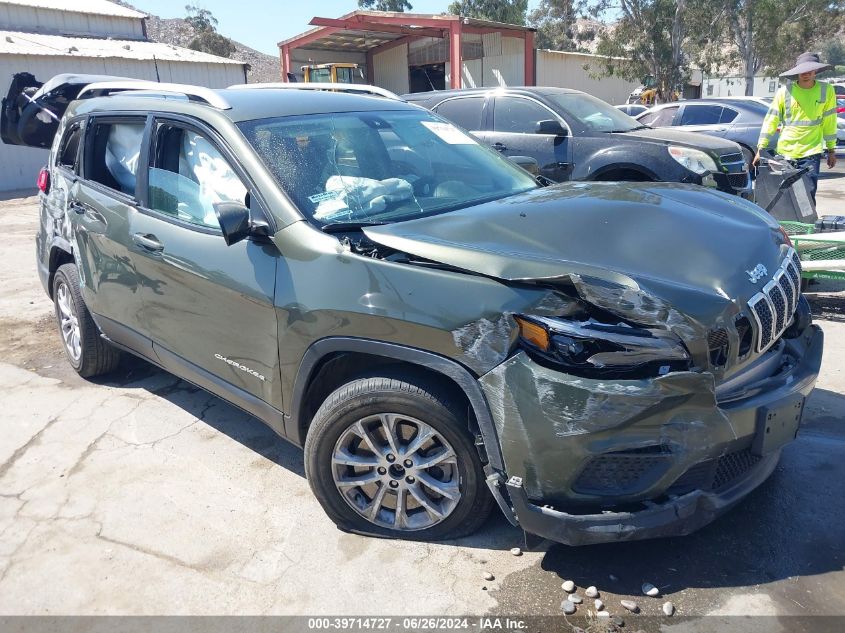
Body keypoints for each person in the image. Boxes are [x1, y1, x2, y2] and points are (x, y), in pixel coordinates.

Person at [753, 52, 838, 205]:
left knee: (808, 194)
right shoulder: (784, 92)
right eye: (803, 71)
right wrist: (761, 148)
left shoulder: (827, 90)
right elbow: (771, 120)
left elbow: (830, 122)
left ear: (816, 71)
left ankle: (807, 227)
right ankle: (786, 227)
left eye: (810, 71)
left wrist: (831, 150)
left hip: (811, 152)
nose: (806, 74)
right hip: (786, 152)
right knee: (784, 196)